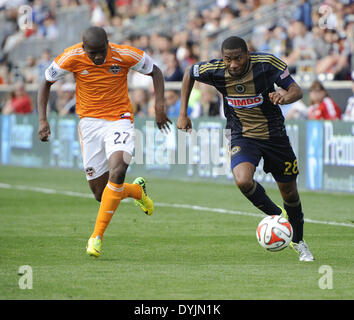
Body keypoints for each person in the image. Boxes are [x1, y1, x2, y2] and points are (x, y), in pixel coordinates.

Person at [37, 26, 171, 258]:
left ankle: (96, 236)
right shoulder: (71, 57)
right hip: (89, 124)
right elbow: (46, 81)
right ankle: (137, 191)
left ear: (108, 43)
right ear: (83, 47)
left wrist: (159, 105)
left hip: (120, 120)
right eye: (92, 53)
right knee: (101, 193)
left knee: (118, 171)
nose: (98, 57)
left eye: (101, 51)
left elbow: (155, 71)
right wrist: (42, 119)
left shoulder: (125, 54)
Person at [177, 36, 314, 261]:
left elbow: (296, 91)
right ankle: (279, 218)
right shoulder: (215, 69)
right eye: (228, 59)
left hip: (275, 136)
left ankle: (299, 242)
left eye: (238, 58)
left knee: (290, 192)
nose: (233, 64)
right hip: (242, 135)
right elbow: (189, 73)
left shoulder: (267, 64)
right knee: (243, 180)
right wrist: (183, 113)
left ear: (247, 55)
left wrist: (283, 96)